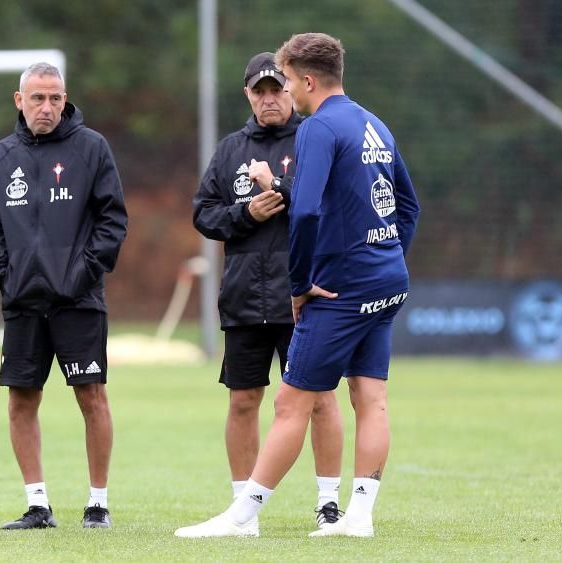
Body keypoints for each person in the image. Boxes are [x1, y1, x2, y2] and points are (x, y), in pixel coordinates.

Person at [176, 32, 420, 539]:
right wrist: (387, 258)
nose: (281, 89)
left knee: (292, 403)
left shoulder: (318, 129)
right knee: (370, 397)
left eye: (286, 79)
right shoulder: (374, 122)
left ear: (306, 80)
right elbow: (408, 207)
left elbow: (305, 210)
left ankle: (241, 516)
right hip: (386, 279)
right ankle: (359, 517)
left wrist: (302, 282)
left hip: (341, 288)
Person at [191, 51, 344, 536]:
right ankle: (244, 511)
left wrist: (276, 190)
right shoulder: (231, 148)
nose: (270, 98)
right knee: (243, 401)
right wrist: (245, 215)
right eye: (260, 91)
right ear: (248, 95)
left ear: (292, 88)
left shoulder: (312, 137)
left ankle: (328, 502)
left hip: (305, 295)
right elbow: (203, 213)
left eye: (277, 89)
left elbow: (328, 201)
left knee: (319, 400)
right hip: (243, 296)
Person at [0, 62, 127, 530]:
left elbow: (112, 221)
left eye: (55, 98)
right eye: (38, 98)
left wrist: (83, 273)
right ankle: (37, 505)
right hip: (22, 300)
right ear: (19, 101)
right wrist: (3, 274)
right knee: (22, 399)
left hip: (78, 300)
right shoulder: (0, 157)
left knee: (92, 395)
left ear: (65, 100)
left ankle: (97, 503)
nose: (47, 107)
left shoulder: (91, 148)